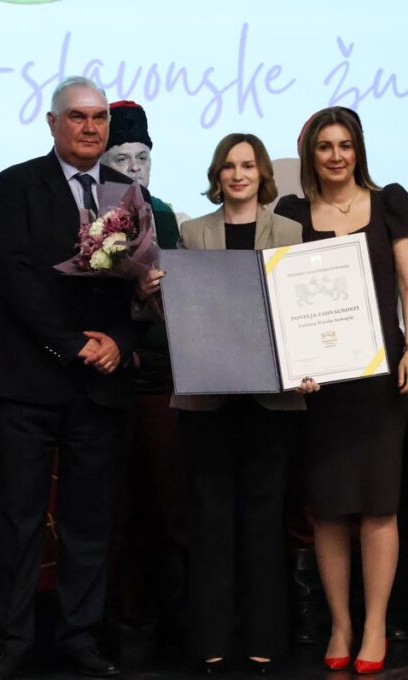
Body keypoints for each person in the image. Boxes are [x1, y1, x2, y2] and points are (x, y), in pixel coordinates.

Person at [0, 76, 146, 680]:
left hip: (99, 386)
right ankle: (11, 639)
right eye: (78, 116)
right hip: (28, 380)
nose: (90, 127)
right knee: (18, 519)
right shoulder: (15, 183)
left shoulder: (129, 191)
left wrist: (120, 342)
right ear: (53, 123)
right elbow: (13, 277)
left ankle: (80, 636)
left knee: (89, 521)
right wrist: (75, 345)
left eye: (99, 117)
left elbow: (141, 286)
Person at [274, 107, 408, 675]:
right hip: (321, 384)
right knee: (330, 509)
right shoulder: (291, 212)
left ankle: (375, 622)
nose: (336, 156)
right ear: (310, 154)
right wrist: (296, 363)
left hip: (381, 377)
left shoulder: (390, 203)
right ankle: (340, 623)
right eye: (324, 147)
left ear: (358, 150)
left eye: (345, 145)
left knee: (379, 506)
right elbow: (283, 299)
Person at [167, 133, 314, 675]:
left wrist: (310, 365)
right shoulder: (192, 233)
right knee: (210, 522)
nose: (238, 174)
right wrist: (159, 293)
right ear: (217, 175)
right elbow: (182, 316)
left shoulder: (290, 232)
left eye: (248, 165)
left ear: (262, 174)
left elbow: (303, 310)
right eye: (228, 166)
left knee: (263, 523)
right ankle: (210, 642)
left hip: (271, 401)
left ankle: (263, 641)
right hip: (208, 399)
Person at [100, 99, 188, 650]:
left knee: (171, 504)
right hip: (108, 377)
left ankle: (178, 620)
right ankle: (123, 623)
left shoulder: (168, 215)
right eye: (122, 158)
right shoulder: (89, 216)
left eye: (142, 158)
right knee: (116, 508)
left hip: (163, 376)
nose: (134, 169)